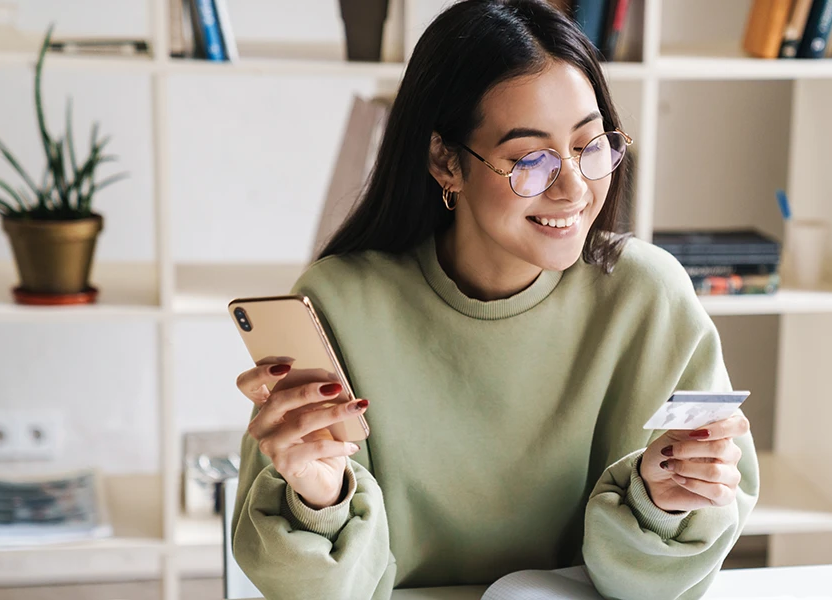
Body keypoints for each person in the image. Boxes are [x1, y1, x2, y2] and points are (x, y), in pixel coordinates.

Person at [230, 1, 759, 598]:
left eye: (591, 145)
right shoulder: (338, 303)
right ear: (445, 160)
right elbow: (319, 590)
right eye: (529, 158)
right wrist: (318, 495)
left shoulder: (647, 295)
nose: (574, 188)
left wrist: (665, 501)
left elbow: (661, 583)